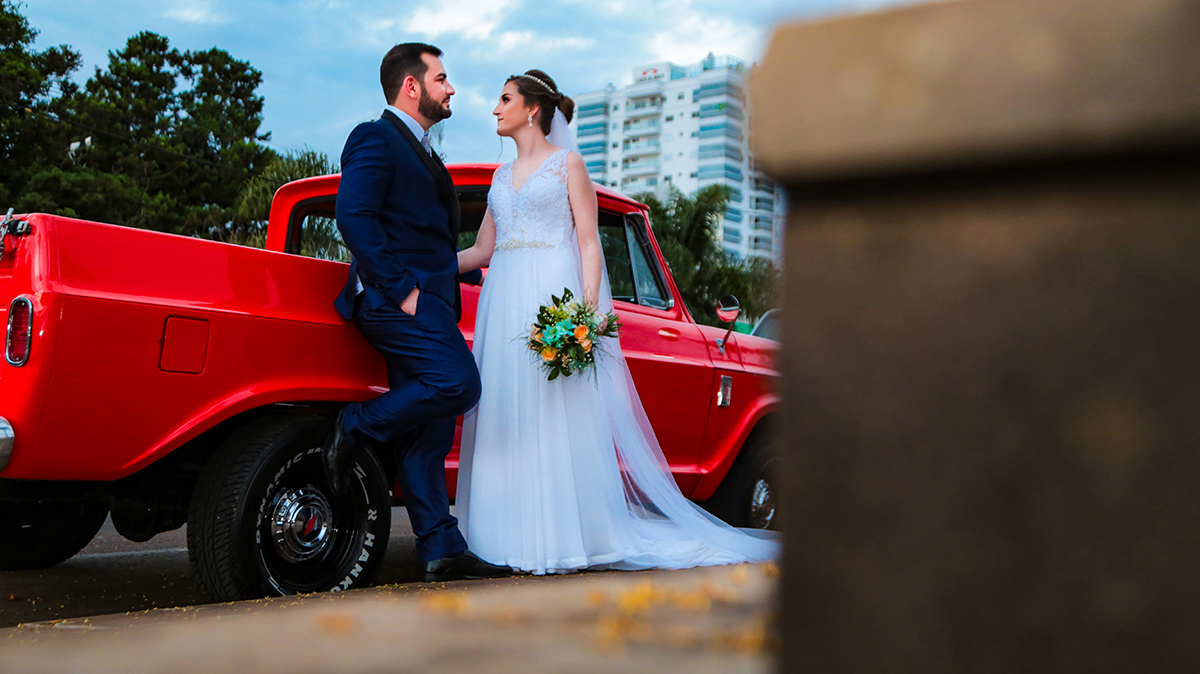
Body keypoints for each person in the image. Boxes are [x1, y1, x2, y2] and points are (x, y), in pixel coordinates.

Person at [454, 70, 780, 575]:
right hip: (503, 303)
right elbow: (481, 250)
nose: (496, 109)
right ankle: (501, 537)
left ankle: (560, 539)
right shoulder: (499, 177)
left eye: (504, 100)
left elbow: (589, 243)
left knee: (550, 414)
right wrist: (423, 263)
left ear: (532, 110)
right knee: (504, 415)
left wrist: (584, 317)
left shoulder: (569, 165)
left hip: (551, 298)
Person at [323, 42, 510, 583]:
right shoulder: (375, 137)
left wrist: (475, 257)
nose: (451, 88)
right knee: (460, 384)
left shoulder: (426, 151)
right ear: (412, 85)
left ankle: (439, 548)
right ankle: (353, 425)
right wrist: (404, 291)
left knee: (428, 432)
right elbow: (355, 219)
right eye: (442, 78)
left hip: (423, 299)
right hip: (392, 302)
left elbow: (423, 240)